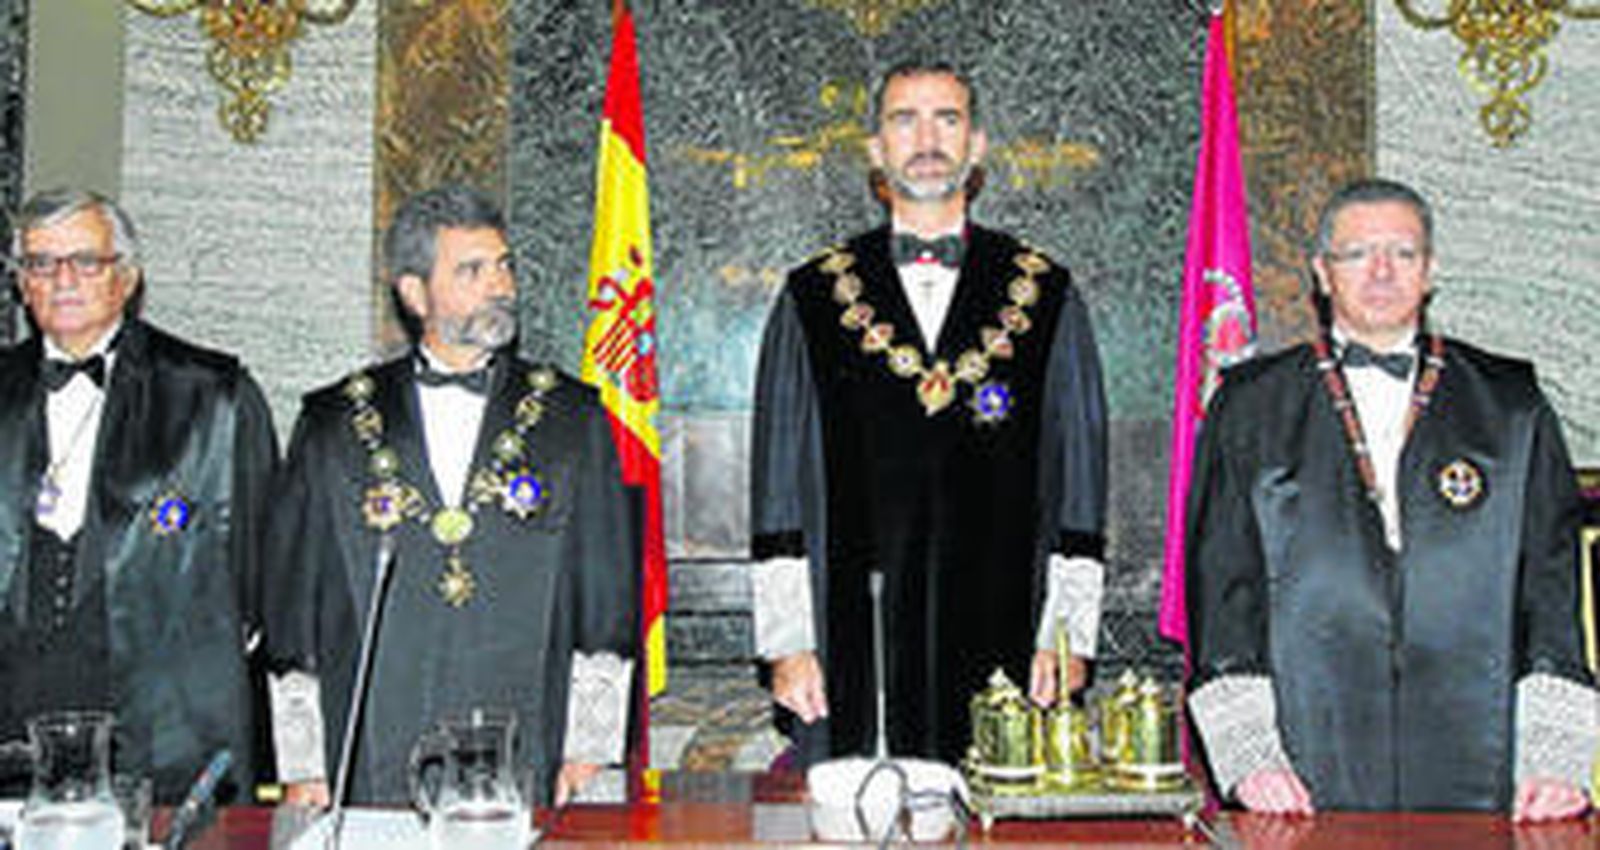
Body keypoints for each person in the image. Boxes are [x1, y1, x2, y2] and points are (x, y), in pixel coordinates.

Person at [1185, 178, 1597, 820]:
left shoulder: (1512, 406)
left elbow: (1551, 593)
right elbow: (1222, 591)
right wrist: (1250, 756)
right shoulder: (1248, 406)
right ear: (1322, 273)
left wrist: (1553, 758)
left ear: (1430, 271)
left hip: (1481, 757)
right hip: (1304, 760)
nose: (1381, 272)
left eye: (1402, 254)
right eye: (1357, 254)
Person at [749, 61, 1108, 766]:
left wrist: (1069, 634)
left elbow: (1081, 485)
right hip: (855, 640)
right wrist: (787, 643)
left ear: (977, 145)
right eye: (904, 119)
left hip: (1008, 635)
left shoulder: (1045, 293)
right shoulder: (814, 297)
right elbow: (777, 495)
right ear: (875, 149)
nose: (927, 138)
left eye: (947, 119)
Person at [263, 185, 636, 807]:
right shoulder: (333, 422)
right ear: (415, 293)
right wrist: (303, 764)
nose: (500, 285)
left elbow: (606, 590)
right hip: (375, 745)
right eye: (472, 270)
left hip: (527, 738)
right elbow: (293, 603)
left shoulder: (572, 417)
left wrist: (591, 749)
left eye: (504, 265)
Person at [0, 188, 277, 802]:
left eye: (86, 262)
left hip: (159, 736)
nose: (64, 279)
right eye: (42, 264)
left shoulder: (214, 397)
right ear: (22, 284)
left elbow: (257, 589)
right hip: (11, 728)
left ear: (127, 277)